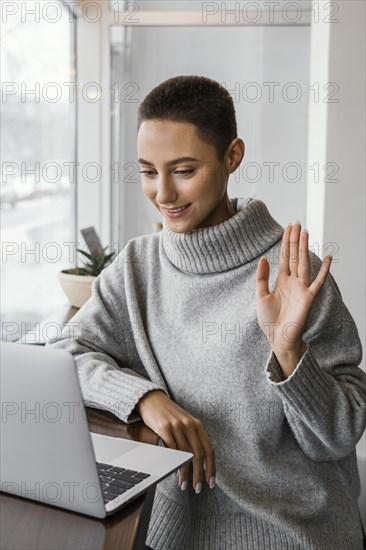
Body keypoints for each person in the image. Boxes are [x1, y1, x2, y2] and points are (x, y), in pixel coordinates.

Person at [47, 75, 366, 550]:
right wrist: (144, 399)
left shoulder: (294, 272)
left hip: (288, 532)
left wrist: (289, 352)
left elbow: (338, 436)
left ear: (232, 156)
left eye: (184, 170)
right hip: (173, 530)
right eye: (149, 172)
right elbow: (65, 354)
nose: (164, 194)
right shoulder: (138, 265)